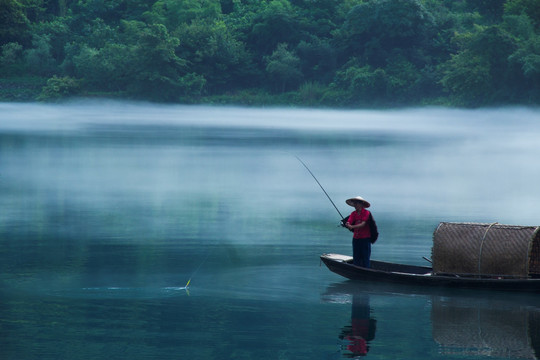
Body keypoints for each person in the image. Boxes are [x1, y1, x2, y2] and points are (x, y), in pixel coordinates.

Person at [345, 196, 372, 268]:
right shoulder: (353, 213)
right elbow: (349, 221)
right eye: (354, 203)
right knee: (356, 256)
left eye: (356, 203)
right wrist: (348, 224)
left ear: (361, 204)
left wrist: (352, 227)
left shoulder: (367, 213)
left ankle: (366, 271)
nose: (355, 205)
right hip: (356, 238)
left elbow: (363, 224)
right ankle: (356, 269)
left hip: (365, 239)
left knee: (365, 256)